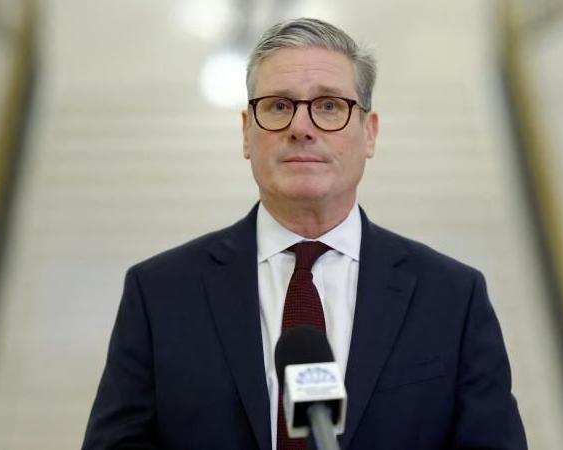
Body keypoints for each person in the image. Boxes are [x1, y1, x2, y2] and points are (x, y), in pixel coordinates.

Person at [83, 17, 526, 450]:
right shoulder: (160, 293)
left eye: (329, 106)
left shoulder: (452, 296)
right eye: (279, 106)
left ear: (368, 134)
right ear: (246, 134)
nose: (301, 127)